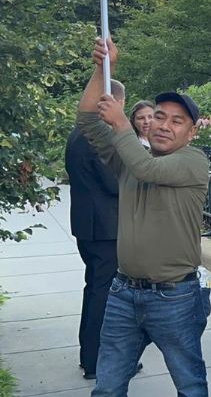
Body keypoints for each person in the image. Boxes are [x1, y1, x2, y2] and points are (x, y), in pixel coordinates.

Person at [78, 38, 210, 395]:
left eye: (177, 121)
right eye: (160, 117)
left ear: (192, 132)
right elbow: (88, 120)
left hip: (175, 298)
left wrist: (121, 125)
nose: (165, 125)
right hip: (123, 292)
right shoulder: (129, 155)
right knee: (107, 388)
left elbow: (147, 168)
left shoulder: (194, 161)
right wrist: (102, 69)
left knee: (190, 386)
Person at [66, 79, 125, 380]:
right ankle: (97, 360)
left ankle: (87, 352)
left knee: (93, 289)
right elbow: (114, 183)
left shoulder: (77, 134)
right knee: (104, 294)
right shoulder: (99, 138)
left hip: (87, 226)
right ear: (113, 103)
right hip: (106, 228)